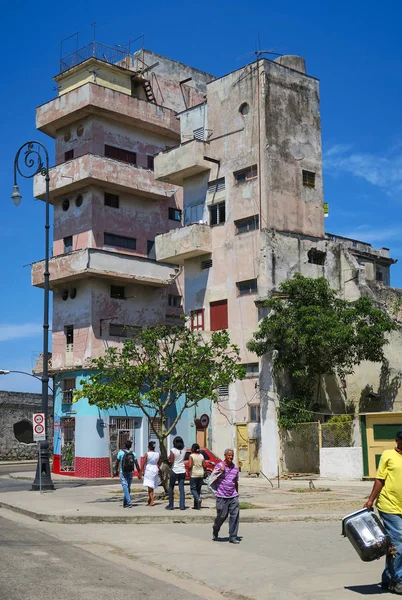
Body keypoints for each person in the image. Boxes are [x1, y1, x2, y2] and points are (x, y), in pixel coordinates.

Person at [364, 430, 402, 593]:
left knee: (394, 543)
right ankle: (397, 580)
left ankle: (388, 578)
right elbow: (380, 479)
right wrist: (371, 500)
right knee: (399, 541)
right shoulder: (388, 455)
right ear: (397, 440)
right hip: (389, 505)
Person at [211, 448, 240, 544]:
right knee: (222, 516)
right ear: (225, 456)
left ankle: (233, 536)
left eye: (232, 455)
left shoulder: (235, 468)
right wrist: (220, 472)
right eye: (229, 455)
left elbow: (235, 482)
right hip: (222, 496)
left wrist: (237, 493)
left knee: (235, 516)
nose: (231, 457)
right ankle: (216, 528)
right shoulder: (219, 466)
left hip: (233, 496)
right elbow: (212, 478)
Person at [114, 440, 141, 508]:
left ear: (125, 446)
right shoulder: (133, 454)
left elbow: (117, 462)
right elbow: (136, 464)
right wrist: (139, 472)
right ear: (130, 446)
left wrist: (116, 471)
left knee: (125, 487)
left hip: (122, 472)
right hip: (130, 472)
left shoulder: (120, 453)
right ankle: (125, 502)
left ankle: (129, 502)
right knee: (127, 487)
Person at [166, 436, 186, 510]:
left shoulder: (173, 450)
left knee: (171, 487)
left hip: (175, 470)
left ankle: (171, 505)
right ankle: (182, 505)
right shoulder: (184, 450)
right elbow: (182, 459)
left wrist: (168, 460)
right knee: (181, 488)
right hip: (182, 470)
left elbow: (171, 461)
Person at [141, 441, 161, 506]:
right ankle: (149, 500)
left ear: (149, 447)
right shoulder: (158, 454)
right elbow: (159, 463)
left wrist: (140, 471)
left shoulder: (147, 454)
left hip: (149, 469)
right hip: (155, 469)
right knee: (151, 485)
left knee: (149, 486)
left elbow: (143, 463)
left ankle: (152, 500)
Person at [188, 443, 206, 510]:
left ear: (192, 449)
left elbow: (190, 465)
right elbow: (204, 466)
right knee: (198, 490)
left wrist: (189, 470)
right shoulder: (201, 456)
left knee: (193, 489)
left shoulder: (191, 456)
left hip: (194, 474)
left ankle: (198, 499)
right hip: (201, 474)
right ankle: (196, 505)